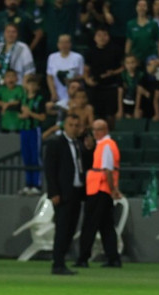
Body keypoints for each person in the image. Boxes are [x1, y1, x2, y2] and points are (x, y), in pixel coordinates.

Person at [44, 114, 92, 275]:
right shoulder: (55, 143)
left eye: (76, 125)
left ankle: (61, 261)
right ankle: (57, 264)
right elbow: (50, 170)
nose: (74, 128)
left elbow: (82, 165)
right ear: (65, 126)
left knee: (71, 229)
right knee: (62, 229)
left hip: (76, 192)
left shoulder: (78, 144)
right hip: (63, 193)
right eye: (71, 125)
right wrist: (54, 192)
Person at [75, 119, 121, 268]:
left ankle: (83, 258)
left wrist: (113, 189)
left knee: (90, 225)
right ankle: (113, 258)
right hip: (102, 190)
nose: (95, 133)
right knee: (106, 226)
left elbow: (107, 170)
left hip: (99, 190)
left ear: (105, 130)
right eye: (93, 130)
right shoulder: (104, 145)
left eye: (98, 129)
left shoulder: (106, 146)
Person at [17, 74, 46, 195]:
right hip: (24, 130)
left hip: (35, 130)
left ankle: (37, 185)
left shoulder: (40, 99)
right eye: (30, 84)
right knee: (26, 157)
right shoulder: (23, 99)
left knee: (35, 157)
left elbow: (42, 117)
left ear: (38, 87)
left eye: (34, 84)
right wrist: (22, 116)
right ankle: (28, 184)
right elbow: (19, 114)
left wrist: (30, 113)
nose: (32, 87)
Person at [46, 34, 84, 106]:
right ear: (58, 44)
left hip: (73, 95)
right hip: (58, 94)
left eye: (66, 42)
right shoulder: (52, 57)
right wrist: (53, 93)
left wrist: (71, 79)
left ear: (70, 44)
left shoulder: (78, 57)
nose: (64, 45)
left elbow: (82, 75)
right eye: (61, 42)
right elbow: (49, 77)